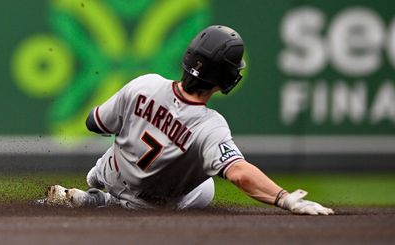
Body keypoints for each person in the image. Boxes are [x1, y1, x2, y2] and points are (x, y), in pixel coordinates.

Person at [45, 25, 334, 216]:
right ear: (227, 79)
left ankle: (96, 186)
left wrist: (142, 123)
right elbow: (238, 173)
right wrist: (284, 198)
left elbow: (94, 123)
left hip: (112, 172)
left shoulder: (144, 84)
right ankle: (105, 201)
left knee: (128, 139)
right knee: (206, 185)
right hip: (145, 205)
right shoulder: (211, 126)